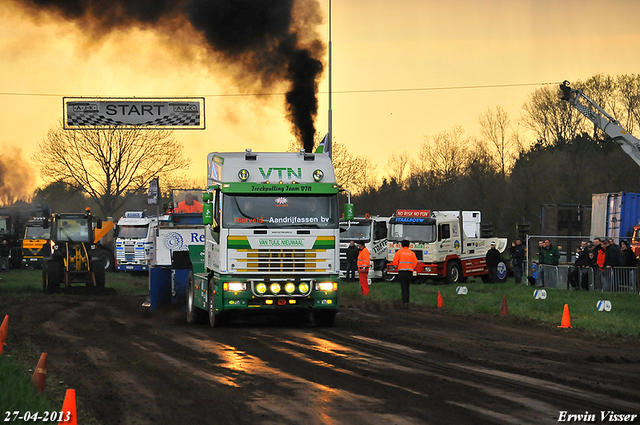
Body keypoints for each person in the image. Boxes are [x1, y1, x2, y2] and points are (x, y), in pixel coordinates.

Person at [392, 239, 418, 309]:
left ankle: (404, 302)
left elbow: (394, 262)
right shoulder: (412, 253)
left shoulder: (399, 252)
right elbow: (415, 262)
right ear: (409, 245)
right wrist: (412, 268)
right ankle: (407, 302)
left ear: (401, 245)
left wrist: (396, 267)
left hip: (401, 272)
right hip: (409, 272)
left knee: (403, 287)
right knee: (407, 287)